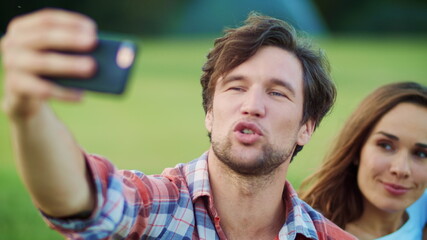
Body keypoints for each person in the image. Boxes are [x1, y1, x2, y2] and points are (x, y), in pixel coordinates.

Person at [1, 8, 356, 239]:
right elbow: (79, 198)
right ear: (210, 112)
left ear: (306, 127)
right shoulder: (159, 205)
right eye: (236, 87)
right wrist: (28, 113)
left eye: (278, 93)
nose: (252, 106)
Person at [300, 82, 427, 240]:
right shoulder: (316, 234)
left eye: (421, 154)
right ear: (356, 149)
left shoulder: (421, 206)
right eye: (386, 146)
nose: (401, 169)